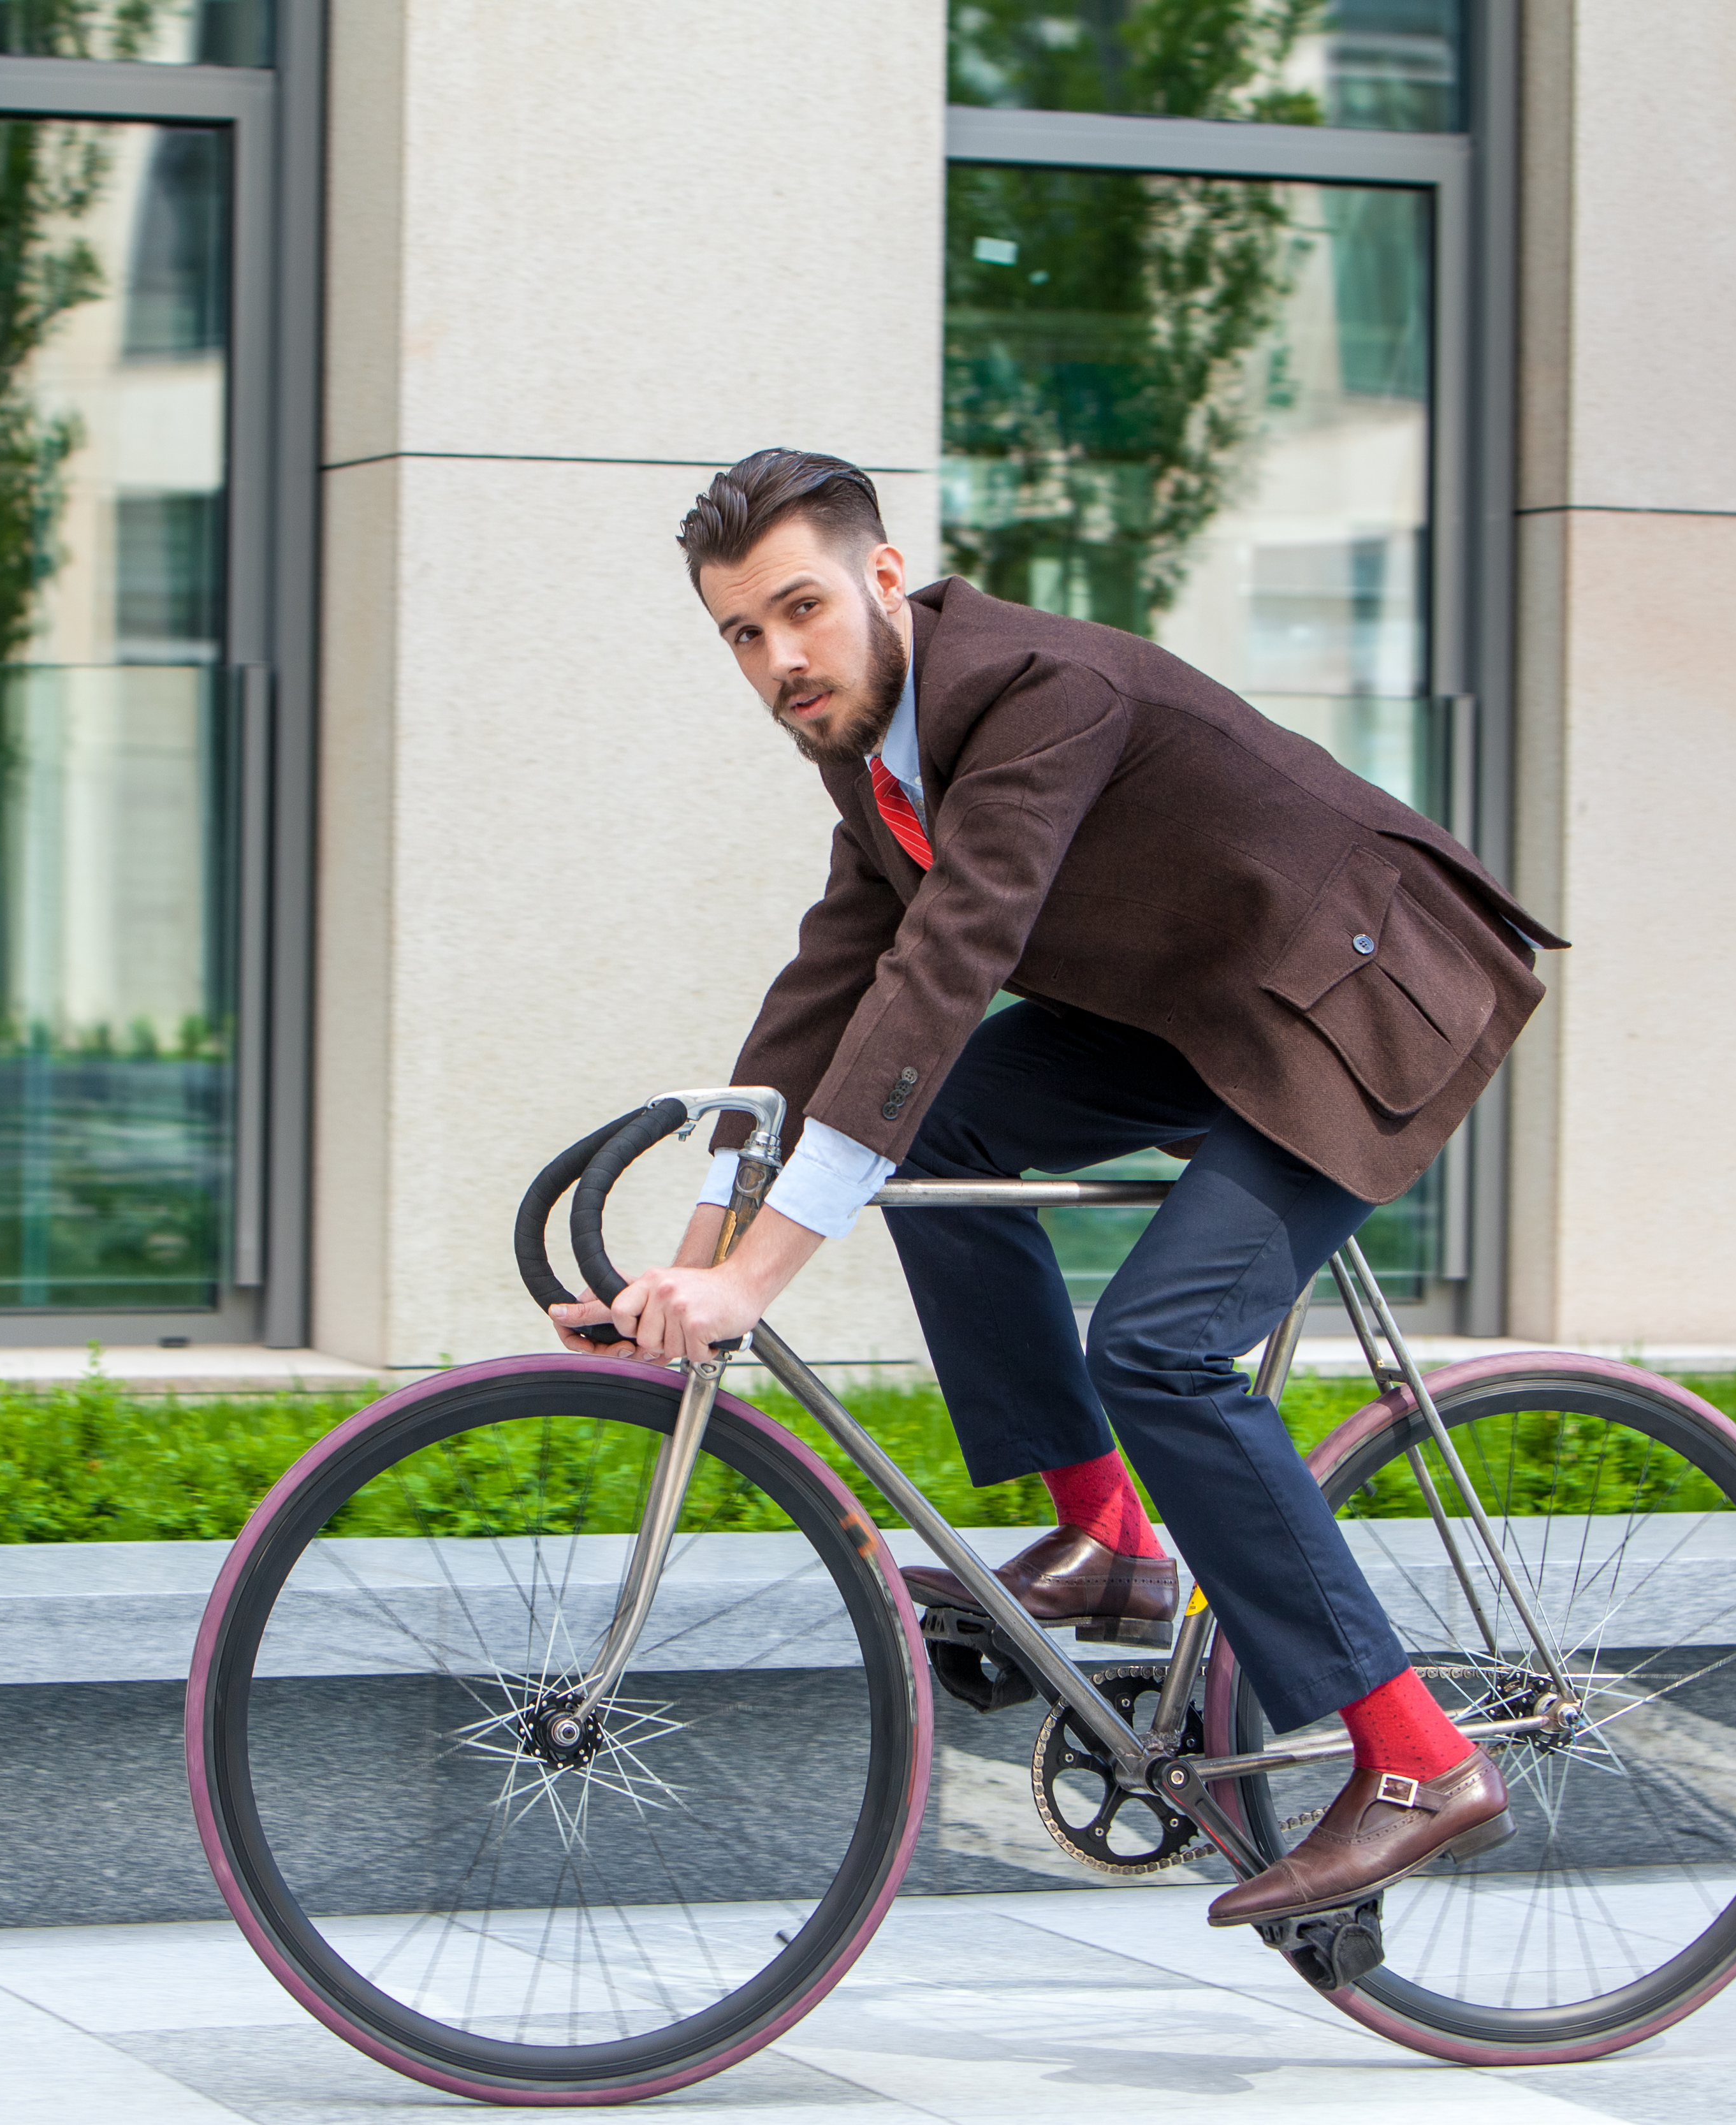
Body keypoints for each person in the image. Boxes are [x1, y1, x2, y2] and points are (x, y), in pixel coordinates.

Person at [546, 448, 1570, 1928]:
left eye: (800, 609)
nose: (778, 660)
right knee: (943, 1124)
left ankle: (1417, 1758)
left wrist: (757, 1279)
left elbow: (945, 965)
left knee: (1158, 1345)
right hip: (1205, 1004)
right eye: (741, 635)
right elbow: (822, 997)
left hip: (1362, 996)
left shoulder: (1034, 693)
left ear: (886, 578)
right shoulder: (869, 753)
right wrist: (686, 1257)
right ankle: (1110, 1543)